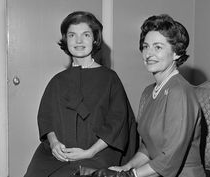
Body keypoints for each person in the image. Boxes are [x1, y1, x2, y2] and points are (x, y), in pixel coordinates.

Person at [24, 11, 137, 177]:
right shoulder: (57, 81)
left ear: (95, 39)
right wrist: (54, 144)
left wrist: (89, 152)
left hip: (99, 152)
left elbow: (117, 123)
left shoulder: (110, 79)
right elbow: (46, 118)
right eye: (72, 35)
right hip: (57, 154)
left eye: (85, 35)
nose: (78, 41)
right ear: (66, 40)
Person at [101, 14, 206, 177]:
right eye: (145, 46)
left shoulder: (180, 92)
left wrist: (131, 175)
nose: (149, 53)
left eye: (158, 47)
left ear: (176, 53)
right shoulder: (148, 92)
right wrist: (127, 167)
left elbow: (169, 159)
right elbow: (147, 149)